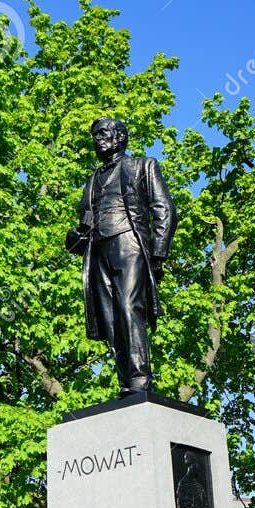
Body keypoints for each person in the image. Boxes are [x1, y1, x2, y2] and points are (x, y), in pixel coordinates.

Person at [66, 116, 176, 394]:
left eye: (102, 133)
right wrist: (75, 237)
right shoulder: (92, 180)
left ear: (120, 137)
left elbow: (164, 209)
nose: (97, 139)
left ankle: (140, 380)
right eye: (94, 135)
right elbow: (86, 220)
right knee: (109, 316)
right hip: (98, 250)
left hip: (129, 243)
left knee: (129, 308)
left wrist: (158, 254)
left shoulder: (142, 166)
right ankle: (125, 382)